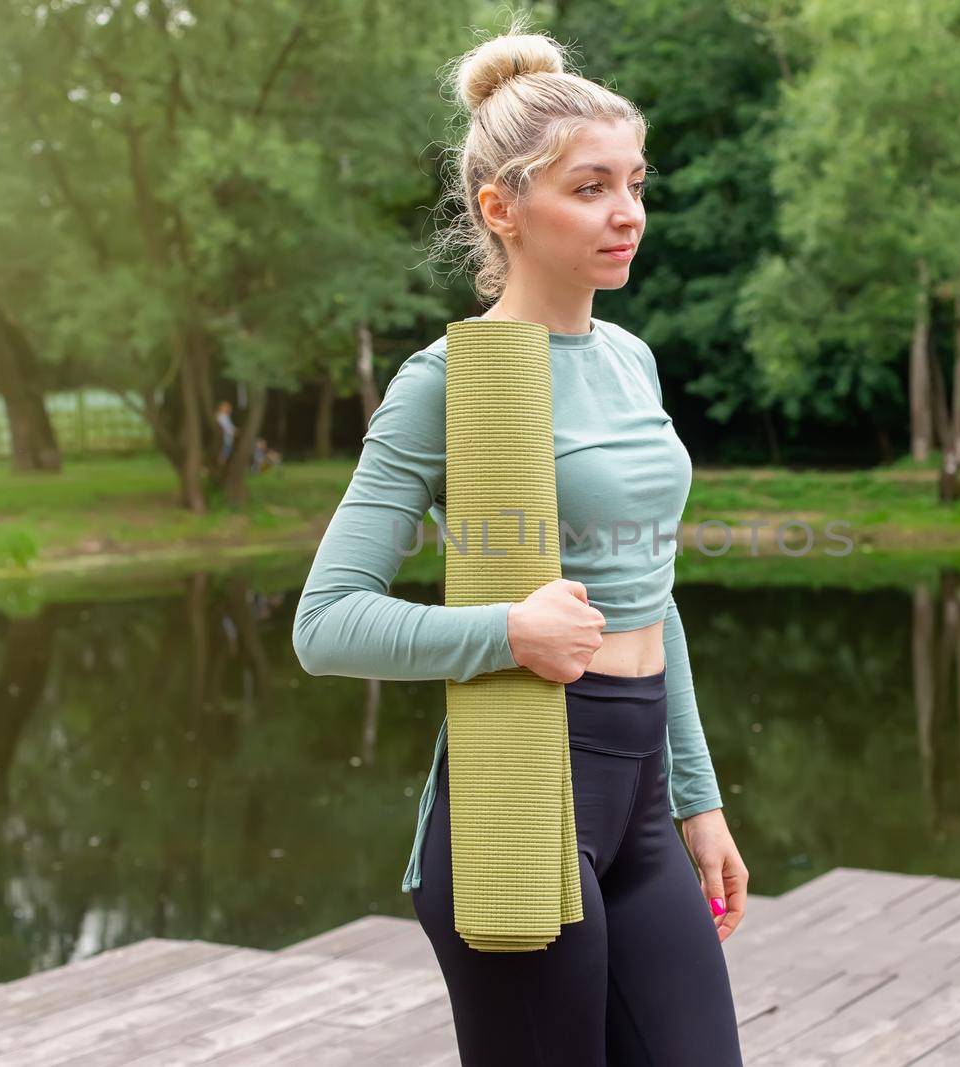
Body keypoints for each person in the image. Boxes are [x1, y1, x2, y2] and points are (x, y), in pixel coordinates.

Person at [291, 21, 746, 1066]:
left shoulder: (631, 360)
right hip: (520, 797)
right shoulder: (450, 382)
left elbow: (651, 593)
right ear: (502, 208)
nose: (625, 211)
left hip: (639, 808)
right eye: (589, 187)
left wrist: (699, 799)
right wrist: (506, 630)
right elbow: (326, 621)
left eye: (634, 182)